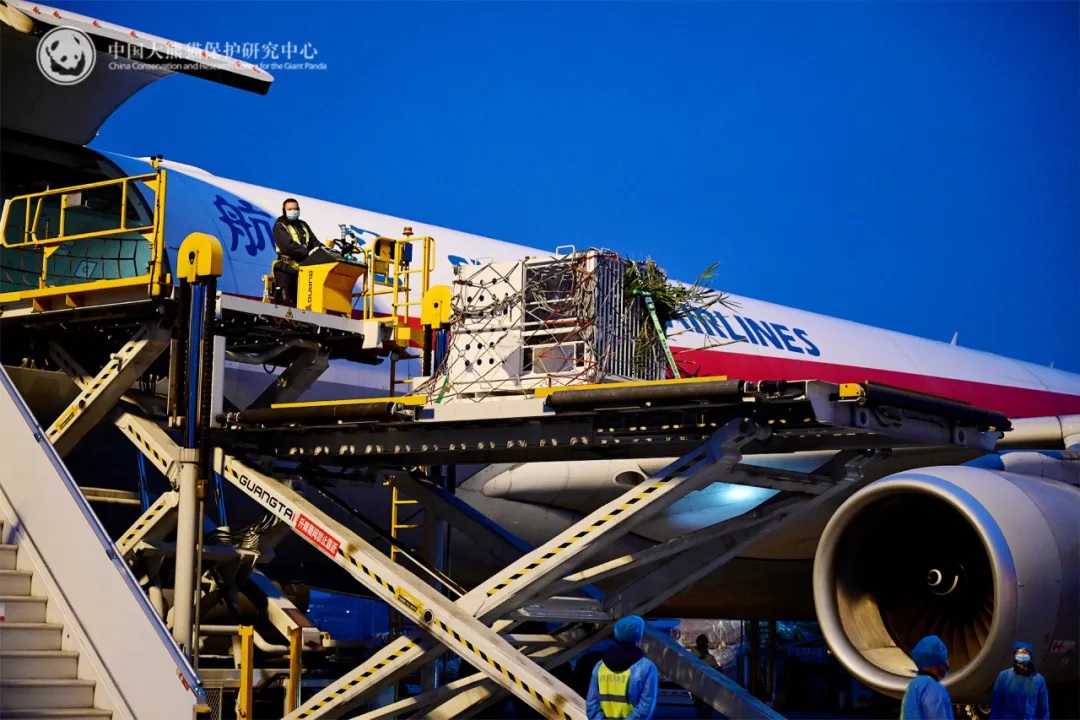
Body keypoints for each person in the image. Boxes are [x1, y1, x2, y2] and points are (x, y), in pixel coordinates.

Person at [586, 616, 659, 720]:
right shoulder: (647, 667)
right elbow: (645, 708)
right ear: (639, 636)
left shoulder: (600, 666)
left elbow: (591, 704)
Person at [271, 197, 321, 306]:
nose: (293, 211)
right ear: (284, 211)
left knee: (302, 302)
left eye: (295, 209)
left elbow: (314, 242)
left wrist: (325, 251)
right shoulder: (280, 226)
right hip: (285, 267)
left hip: (302, 269)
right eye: (290, 209)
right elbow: (287, 246)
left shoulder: (303, 225)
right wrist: (307, 252)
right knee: (284, 301)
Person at [990, 642, 1050, 719]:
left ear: (1030, 655)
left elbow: (1043, 707)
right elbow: (996, 703)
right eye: (1019, 651)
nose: (1022, 654)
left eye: (1025, 652)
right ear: (1015, 655)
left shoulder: (1038, 679)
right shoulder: (1004, 676)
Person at [900, 635, 954, 720]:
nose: (946, 663)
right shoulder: (933, 688)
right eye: (943, 660)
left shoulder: (913, 686)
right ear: (931, 666)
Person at [690, 633, 720, 718]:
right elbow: (718, 674)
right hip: (706, 692)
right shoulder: (709, 659)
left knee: (701, 713)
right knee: (705, 713)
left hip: (698, 691)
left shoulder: (691, 658)